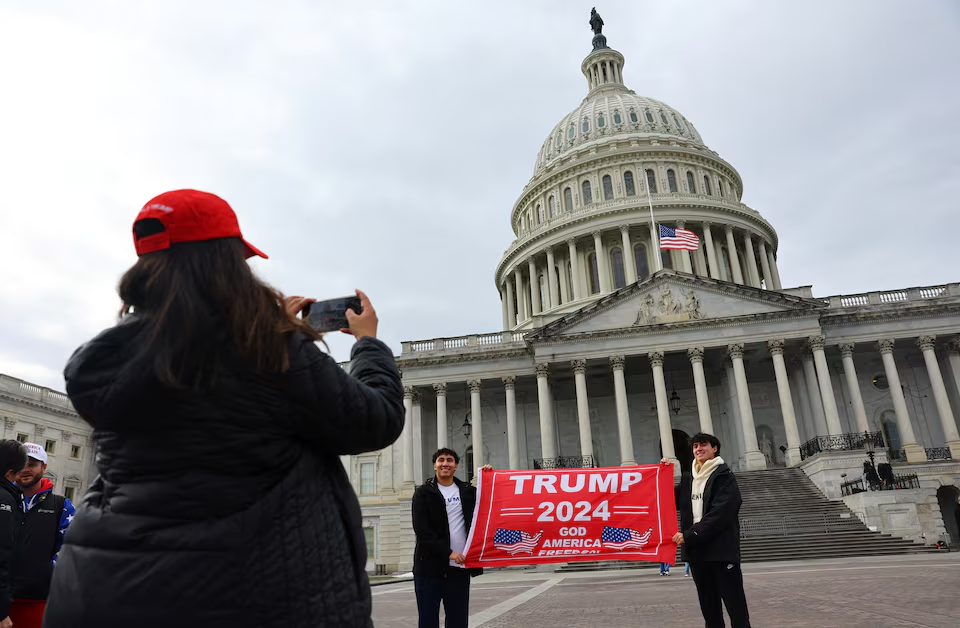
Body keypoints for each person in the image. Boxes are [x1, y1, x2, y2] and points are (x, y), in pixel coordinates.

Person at [43, 189, 405, 628]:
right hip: (253, 594)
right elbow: (375, 420)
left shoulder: (106, 362)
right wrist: (367, 345)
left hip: (110, 590)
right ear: (225, 262)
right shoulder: (269, 354)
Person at [663, 433, 750, 628]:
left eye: (703, 445)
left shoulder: (724, 476)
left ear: (715, 448)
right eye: (695, 446)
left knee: (736, 608)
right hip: (698, 553)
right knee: (709, 609)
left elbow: (722, 512)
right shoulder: (689, 479)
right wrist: (661, 473)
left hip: (721, 551)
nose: (698, 449)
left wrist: (691, 534)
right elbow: (668, 499)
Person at [412, 448, 491, 628]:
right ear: (435, 465)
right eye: (441, 460)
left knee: (458, 620)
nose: (445, 463)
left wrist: (488, 477)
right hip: (429, 568)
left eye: (449, 460)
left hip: (459, 569)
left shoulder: (467, 491)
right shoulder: (423, 493)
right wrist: (449, 553)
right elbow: (422, 531)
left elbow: (490, 503)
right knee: (428, 620)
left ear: (455, 466)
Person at [8, 443, 75, 628]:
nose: (25, 469)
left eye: (32, 464)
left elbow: (71, 550)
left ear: (43, 467)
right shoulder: (3, 500)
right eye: (21, 464)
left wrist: (46, 570)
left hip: (39, 602)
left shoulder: (61, 506)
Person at [0, 440, 27, 628]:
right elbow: (1, 555)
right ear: (9, 473)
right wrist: (1, 612)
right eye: (17, 475)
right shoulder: (5, 500)